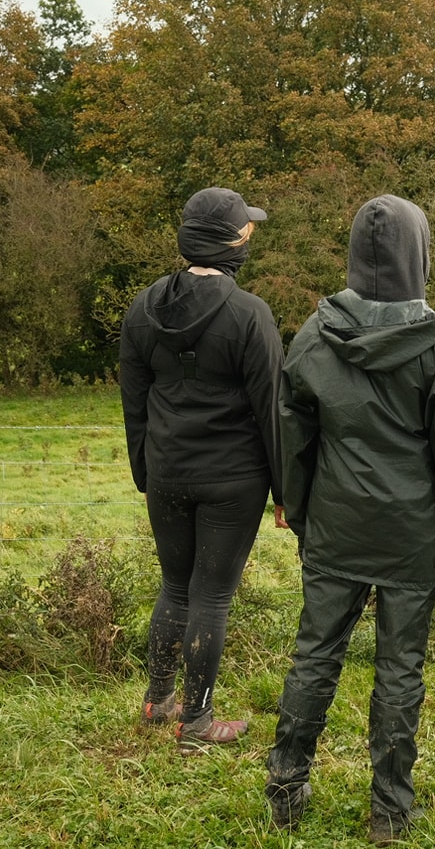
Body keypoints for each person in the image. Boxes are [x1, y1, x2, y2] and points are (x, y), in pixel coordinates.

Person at [265, 195, 435, 844]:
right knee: (400, 667)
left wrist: (300, 516)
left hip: (335, 522)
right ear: (420, 253)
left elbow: (292, 440)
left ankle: (285, 783)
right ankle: (390, 809)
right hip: (414, 534)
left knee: (316, 652)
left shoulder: (313, 334)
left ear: (355, 249)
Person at [119, 187, 285, 755]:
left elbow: (133, 402)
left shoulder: (143, 308)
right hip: (233, 481)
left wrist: (146, 471)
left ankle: (158, 699)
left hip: (166, 471)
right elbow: (271, 410)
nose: (252, 234)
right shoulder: (249, 314)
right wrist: (287, 492)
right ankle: (197, 721)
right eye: (248, 228)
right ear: (234, 240)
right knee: (211, 596)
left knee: (174, 587)